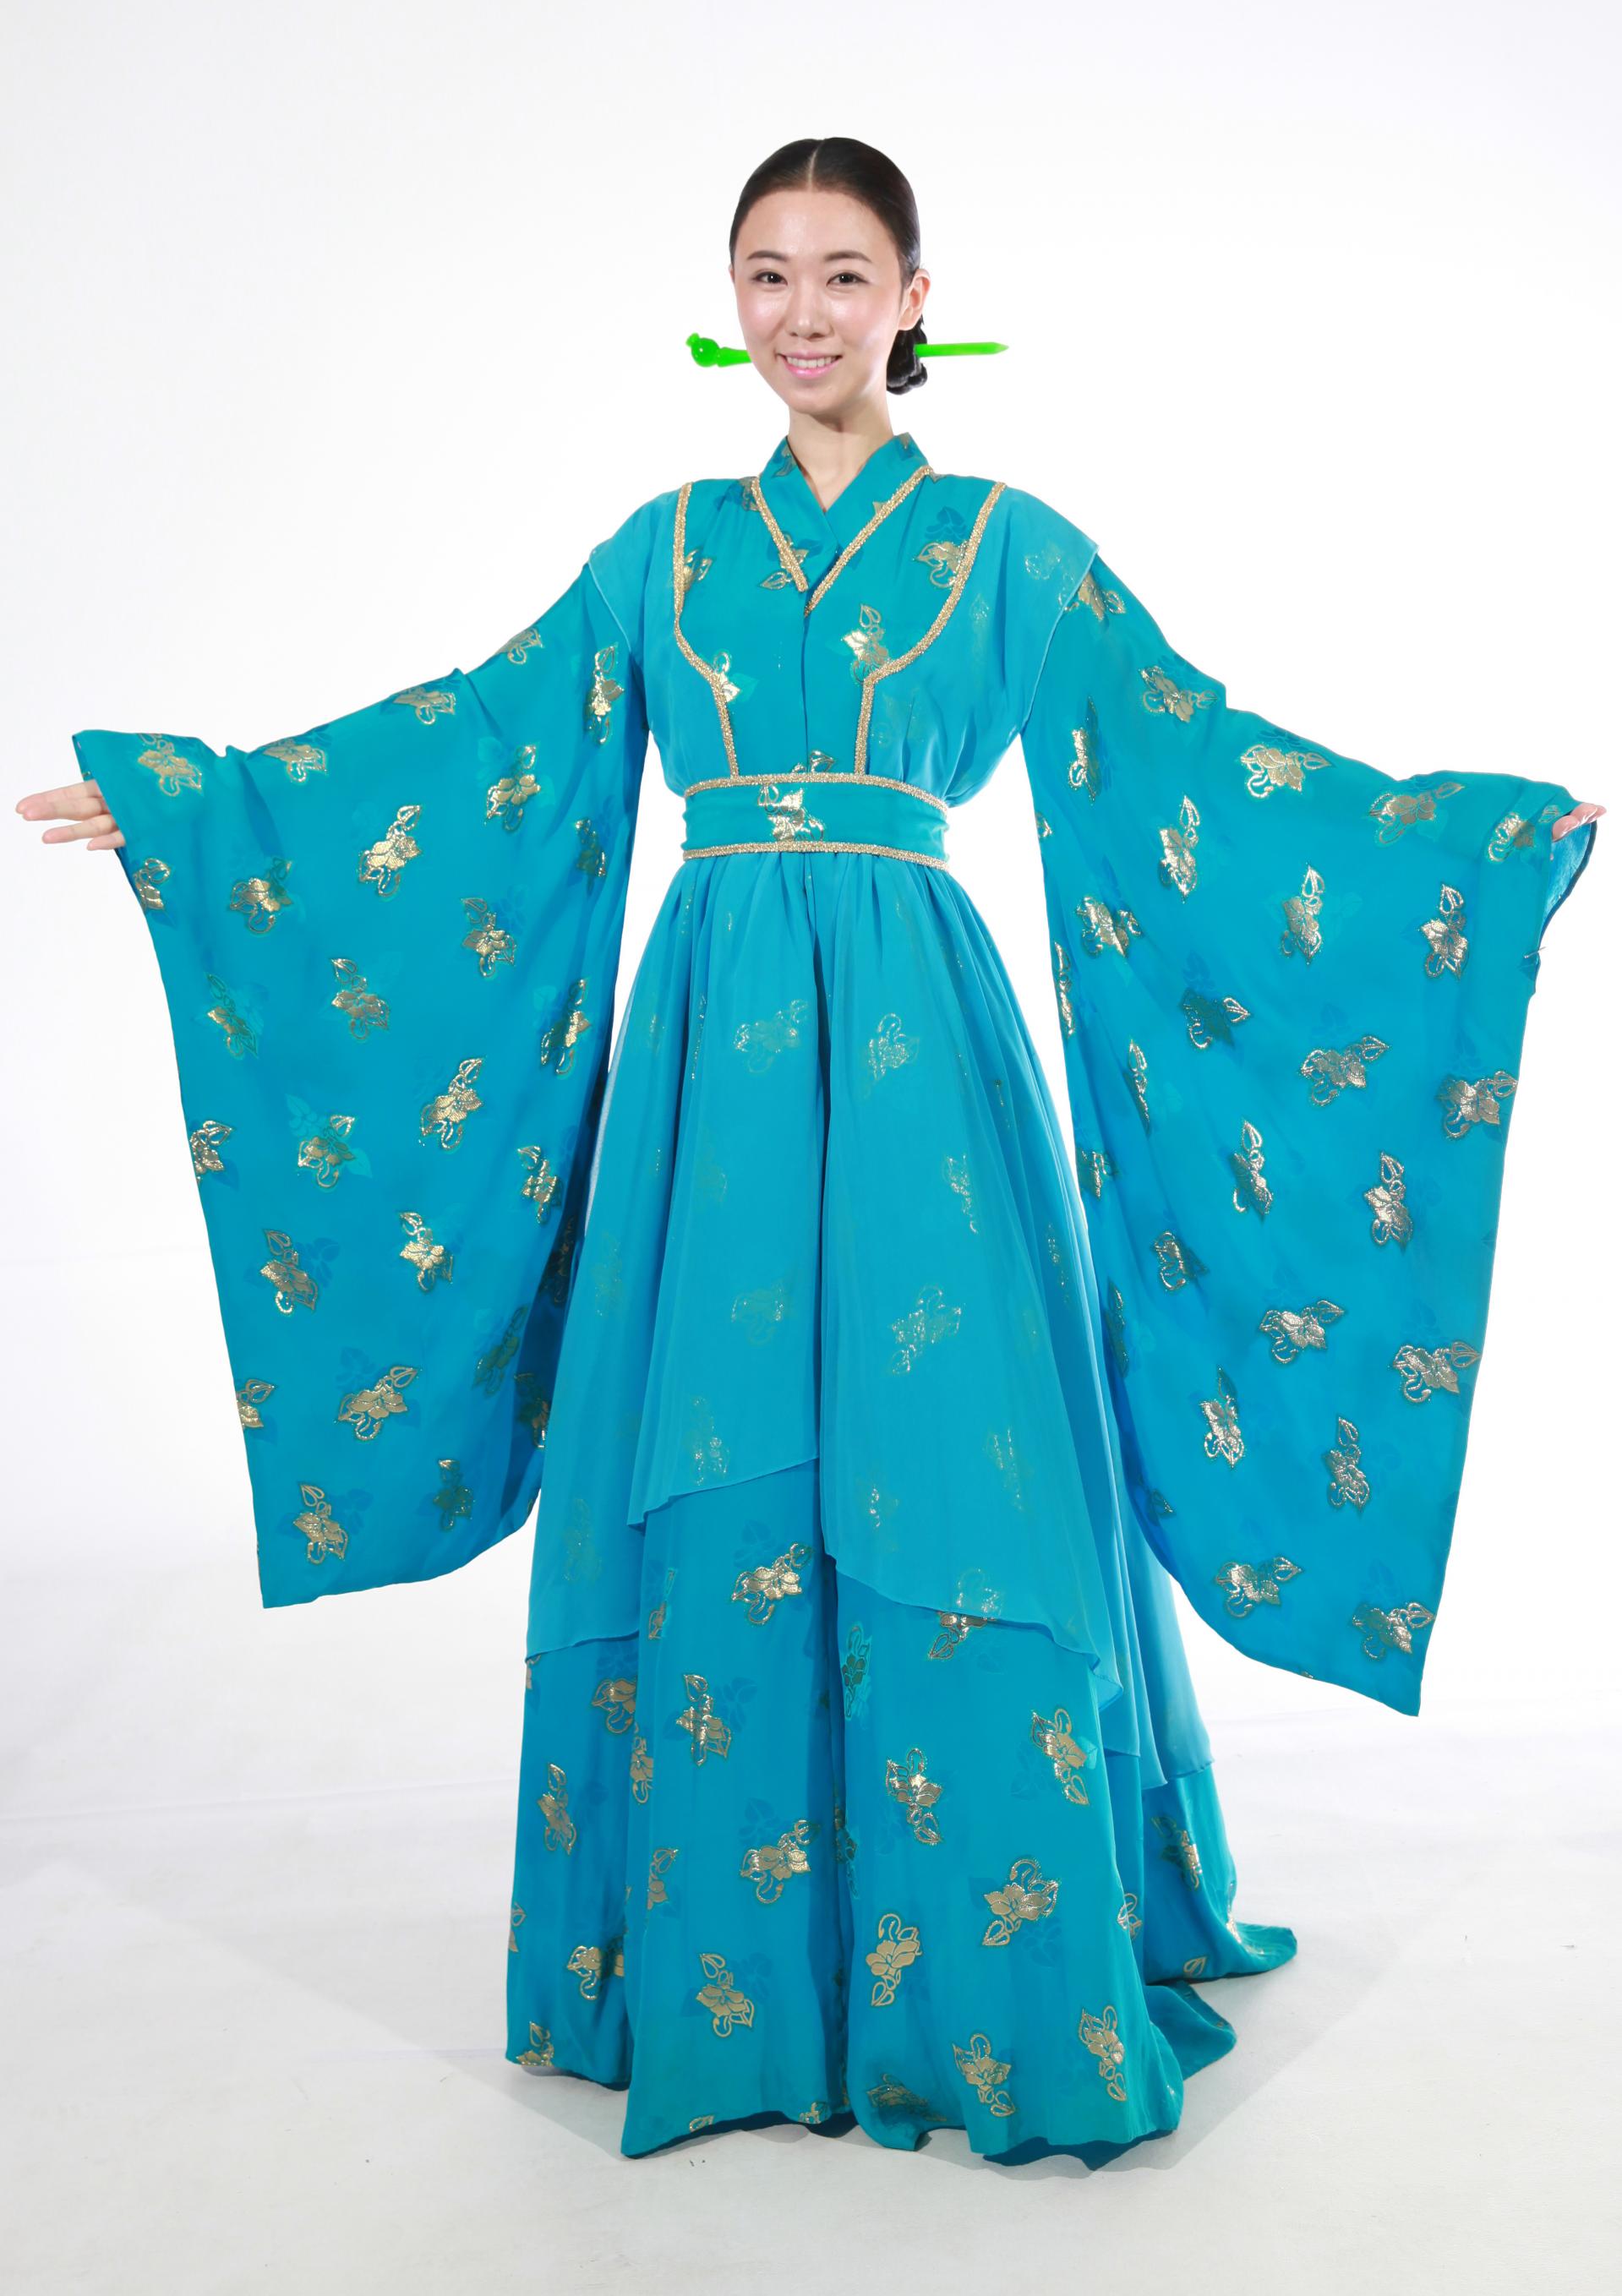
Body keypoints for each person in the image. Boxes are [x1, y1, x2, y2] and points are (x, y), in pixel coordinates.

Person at [16, 136, 1603, 2168]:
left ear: (916, 300)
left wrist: (1463, 846)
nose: (803, 314)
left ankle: (988, 1972)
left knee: (959, 1450)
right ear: (730, 303)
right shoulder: (664, 552)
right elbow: (483, 744)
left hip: (925, 1045)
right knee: (724, 1428)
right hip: (715, 1055)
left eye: (846, 274)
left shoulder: (1010, 549)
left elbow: (1196, 758)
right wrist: (207, 806)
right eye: (766, 274)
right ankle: (739, 1976)